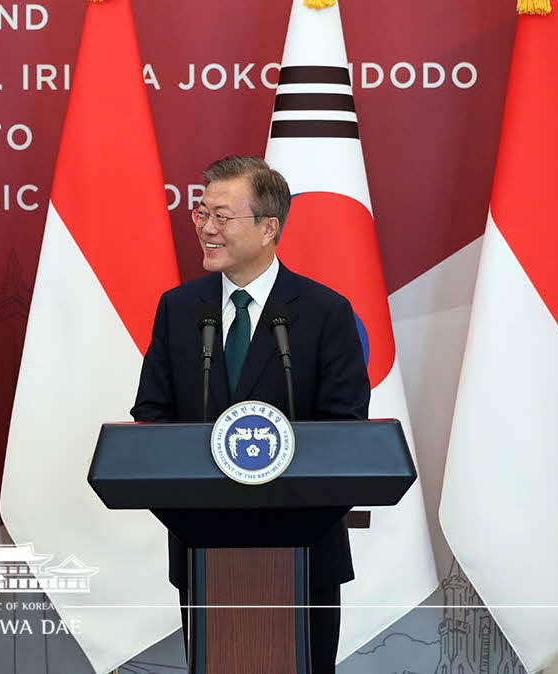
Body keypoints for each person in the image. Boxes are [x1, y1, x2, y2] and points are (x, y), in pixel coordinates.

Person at [131, 156, 370, 673]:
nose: (205, 228)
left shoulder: (325, 311)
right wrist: (192, 514)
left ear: (269, 228)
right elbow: (152, 417)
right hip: (205, 548)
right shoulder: (179, 307)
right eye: (201, 213)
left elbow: (346, 430)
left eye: (222, 216)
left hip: (305, 554)